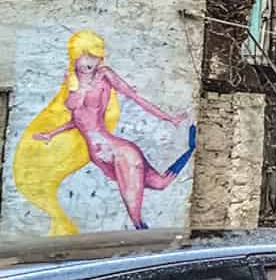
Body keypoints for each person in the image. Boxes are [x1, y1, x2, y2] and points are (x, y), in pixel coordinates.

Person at [18, 29, 195, 232]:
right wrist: (51, 133)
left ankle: (145, 251)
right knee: (160, 183)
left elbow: (135, 97)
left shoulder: (104, 76)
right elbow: (78, 118)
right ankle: (191, 148)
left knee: (135, 216)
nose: (89, 61)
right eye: (84, 56)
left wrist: (169, 118)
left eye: (94, 55)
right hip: (100, 156)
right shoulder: (71, 80)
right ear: (75, 56)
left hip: (118, 152)